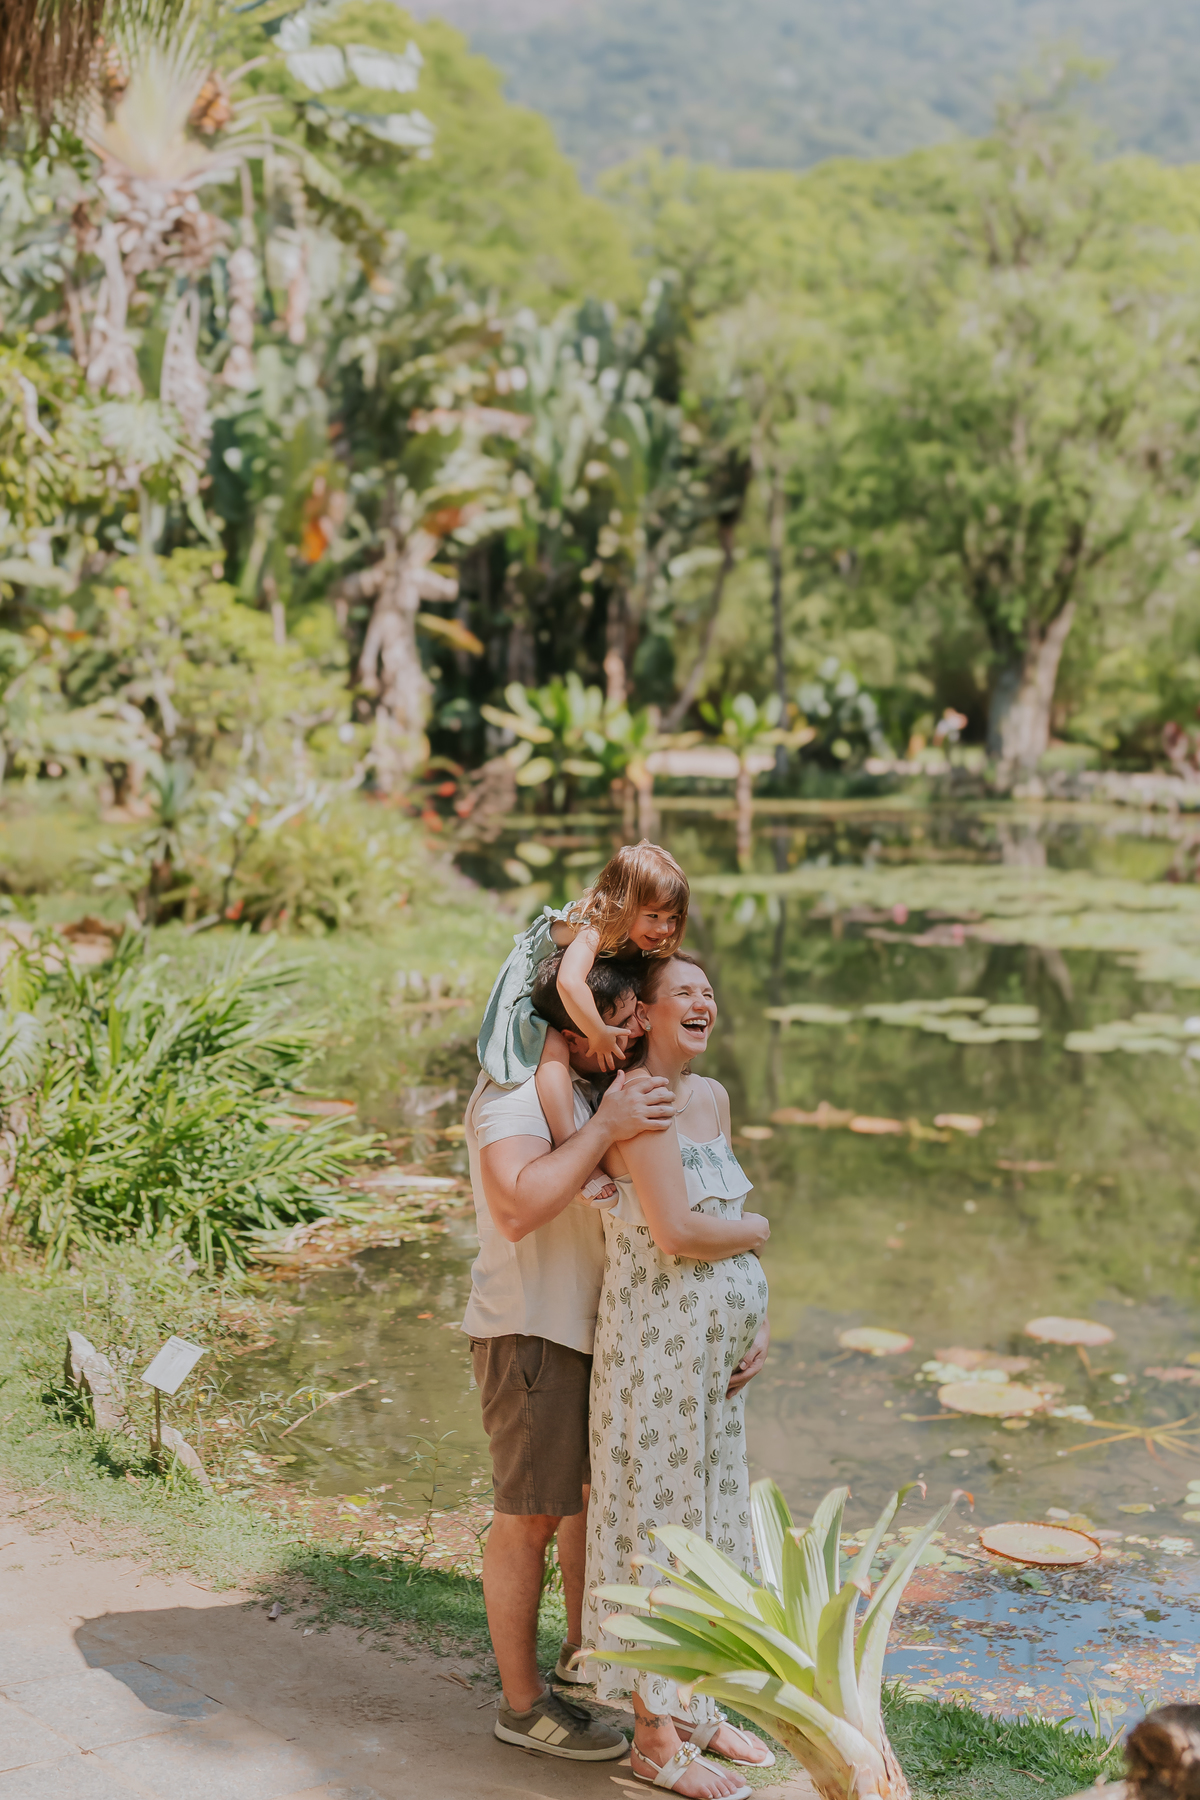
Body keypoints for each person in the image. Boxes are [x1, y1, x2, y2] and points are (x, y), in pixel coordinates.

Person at [462, 953, 676, 1764]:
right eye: (617, 1022)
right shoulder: (513, 1093)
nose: (628, 1038)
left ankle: (580, 1661)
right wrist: (605, 1129)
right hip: (532, 1334)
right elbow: (517, 1207)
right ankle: (522, 1708)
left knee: (589, 1509)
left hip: (595, 1336)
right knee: (530, 1519)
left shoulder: (583, 1092)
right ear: (576, 1020)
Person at [579, 952, 774, 1800]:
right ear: (646, 1015)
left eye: (707, 992)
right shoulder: (644, 1107)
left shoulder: (714, 1097)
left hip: (716, 1355)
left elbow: (713, 1218)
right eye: (682, 994)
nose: (703, 1003)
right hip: (657, 1351)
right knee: (658, 1521)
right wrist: (763, 1232)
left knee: (713, 1512)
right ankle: (653, 1735)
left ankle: (695, 1704)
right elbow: (680, 1232)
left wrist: (756, 1318)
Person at [475, 840, 689, 1094]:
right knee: (553, 1047)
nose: (663, 929)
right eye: (653, 916)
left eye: (672, 918)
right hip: (534, 984)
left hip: (590, 981)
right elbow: (569, 981)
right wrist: (596, 1033)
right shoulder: (593, 928)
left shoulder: (638, 934)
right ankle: (565, 1130)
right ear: (623, 906)